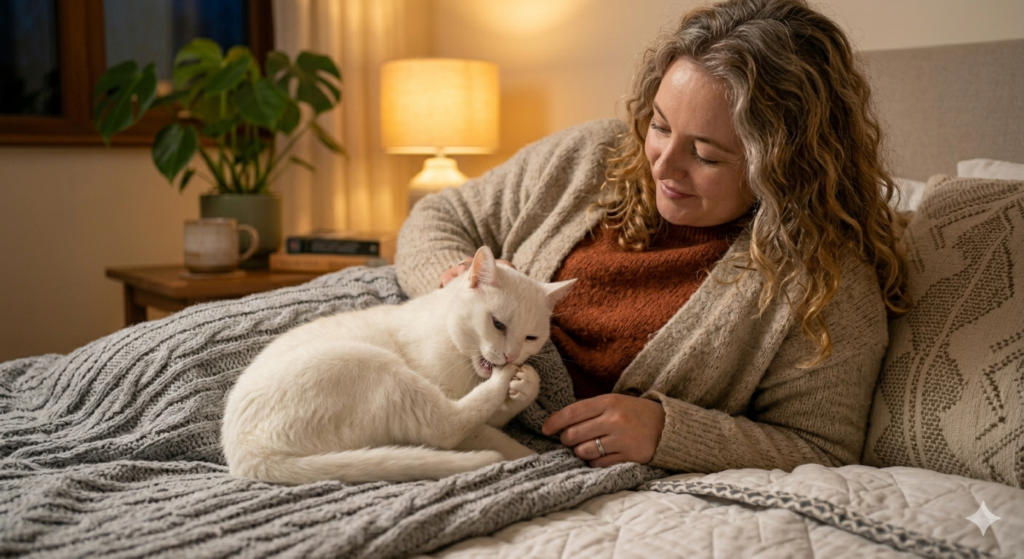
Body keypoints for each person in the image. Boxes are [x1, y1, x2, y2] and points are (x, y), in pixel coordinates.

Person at [394, 0, 909, 474]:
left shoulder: (824, 285)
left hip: (491, 437)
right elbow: (440, 213)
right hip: (406, 347)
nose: (662, 165)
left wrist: (670, 433)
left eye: (705, 154)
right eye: (660, 127)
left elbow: (822, 448)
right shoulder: (589, 157)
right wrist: (451, 282)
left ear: (784, 164)